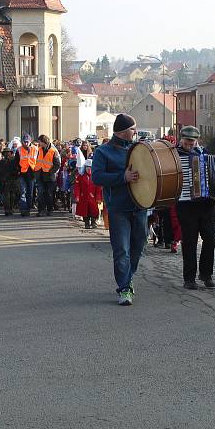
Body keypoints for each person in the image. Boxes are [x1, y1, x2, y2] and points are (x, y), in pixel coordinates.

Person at [91, 113, 146, 306]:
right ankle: (124, 288)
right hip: (118, 208)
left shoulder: (138, 149)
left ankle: (128, 278)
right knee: (121, 249)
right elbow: (96, 177)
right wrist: (123, 177)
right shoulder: (103, 152)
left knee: (138, 247)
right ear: (123, 132)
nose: (136, 132)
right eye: (133, 129)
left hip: (140, 206)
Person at [175, 126, 215, 289]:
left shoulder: (204, 154)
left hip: (206, 205)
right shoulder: (175, 155)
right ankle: (189, 278)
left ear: (197, 140)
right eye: (187, 140)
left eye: (192, 141)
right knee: (189, 241)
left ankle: (206, 274)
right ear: (181, 139)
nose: (189, 144)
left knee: (210, 239)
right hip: (186, 204)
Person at [35, 134, 61, 217]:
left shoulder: (53, 151)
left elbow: (57, 164)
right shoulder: (39, 150)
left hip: (49, 177)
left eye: (40, 142)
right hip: (40, 175)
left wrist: (51, 172)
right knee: (40, 193)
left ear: (44, 142)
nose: (39, 143)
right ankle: (41, 210)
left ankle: (49, 209)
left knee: (49, 194)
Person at [74, 159, 102, 229]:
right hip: (83, 197)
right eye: (87, 167)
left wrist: (98, 197)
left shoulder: (95, 176)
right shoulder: (80, 176)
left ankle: (93, 222)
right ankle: (86, 223)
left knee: (94, 211)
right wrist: (77, 196)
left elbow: (99, 187)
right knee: (85, 211)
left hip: (93, 198)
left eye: (90, 168)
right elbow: (77, 187)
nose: (89, 169)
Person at [15, 134, 38, 217]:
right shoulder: (19, 150)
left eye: (27, 142)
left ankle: (28, 209)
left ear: (30, 141)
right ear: (22, 142)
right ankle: (23, 209)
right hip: (22, 173)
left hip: (32, 174)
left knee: (30, 193)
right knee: (23, 192)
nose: (26, 143)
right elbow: (16, 162)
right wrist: (17, 171)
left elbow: (38, 161)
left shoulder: (35, 149)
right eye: (24, 142)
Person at [0, 147, 19, 216]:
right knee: (8, 196)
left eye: (8, 152)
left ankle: (10, 209)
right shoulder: (2, 162)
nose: (7, 154)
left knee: (11, 195)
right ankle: (8, 209)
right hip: (6, 180)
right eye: (6, 153)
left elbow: (16, 170)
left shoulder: (13, 161)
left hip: (11, 180)